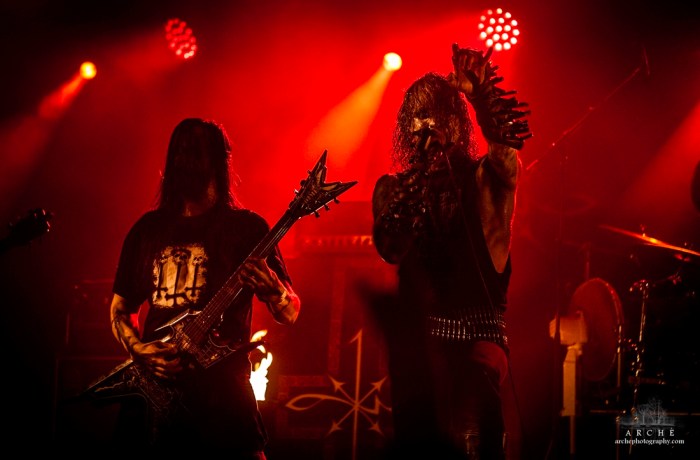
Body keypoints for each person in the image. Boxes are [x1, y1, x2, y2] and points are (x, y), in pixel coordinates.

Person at [371, 45, 531, 459]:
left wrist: (482, 96)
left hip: (477, 346)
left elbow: (506, 158)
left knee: (470, 431)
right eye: (417, 125)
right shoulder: (395, 189)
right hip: (421, 356)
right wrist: (414, 190)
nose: (426, 134)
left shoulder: (484, 181)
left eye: (436, 120)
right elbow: (390, 248)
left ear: (456, 125)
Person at [108, 117, 300, 455]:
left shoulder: (247, 229)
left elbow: (290, 312)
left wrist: (275, 290)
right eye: (178, 152)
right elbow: (120, 309)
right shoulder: (147, 230)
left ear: (218, 160)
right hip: (153, 401)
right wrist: (139, 350)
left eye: (195, 151)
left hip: (225, 407)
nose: (185, 160)